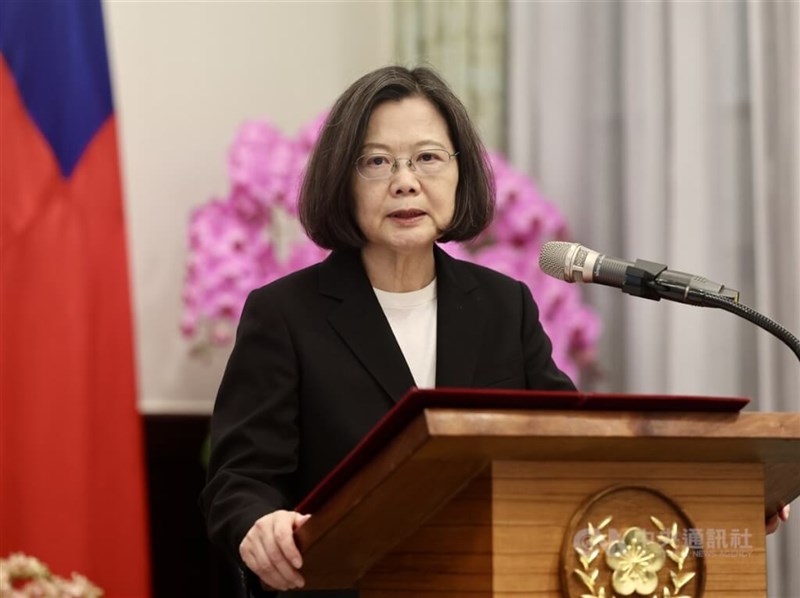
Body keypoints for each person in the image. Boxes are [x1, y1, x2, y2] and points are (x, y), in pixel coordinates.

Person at [200, 65, 790, 597]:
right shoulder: (285, 314)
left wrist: (715, 500)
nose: (405, 181)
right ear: (341, 180)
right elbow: (241, 477)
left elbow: (577, 447)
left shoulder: (504, 308)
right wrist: (260, 524)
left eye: (428, 157)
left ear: (460, 173)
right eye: (377, 161)